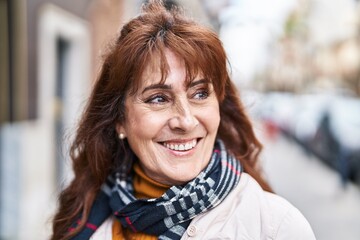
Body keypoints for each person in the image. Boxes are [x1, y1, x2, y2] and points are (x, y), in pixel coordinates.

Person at [51, 1, 316, 239]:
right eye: (158, 98)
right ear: (120, 120)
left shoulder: (276, 228)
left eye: (200, 94)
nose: (186, 121)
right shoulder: (83, 216)